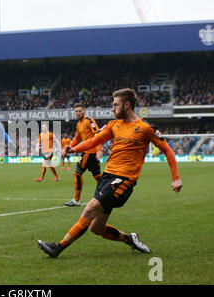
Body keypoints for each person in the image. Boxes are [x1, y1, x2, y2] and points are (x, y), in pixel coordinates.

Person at [38, 88, 183, 257]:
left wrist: (176, 178)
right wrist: (73, 149)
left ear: (127, 105)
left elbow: (167, 150)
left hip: (124, 180)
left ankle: (58, 248)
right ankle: (130, 239)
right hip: (107, 177)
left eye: (116, 105)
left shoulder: (145, 128)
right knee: (96, 228)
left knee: (90, 208)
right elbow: (93, 141)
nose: (112, 108)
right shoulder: (113, 125)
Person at [64, 103, 103, 207]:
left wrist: (99, 149)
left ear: (84, 111)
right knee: (97, 176)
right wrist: (68, 148)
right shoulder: (79, 124)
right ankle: (110, 193)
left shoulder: (89, 121)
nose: (78, 113)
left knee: (77, 173)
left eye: (80, 111)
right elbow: (77, 138)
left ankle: (76, 200)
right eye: (76, 111)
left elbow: (98, 134)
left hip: (89, 151)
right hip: (89, 152)